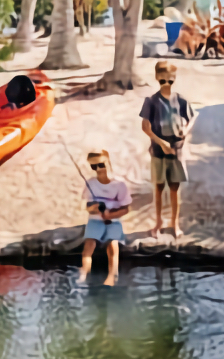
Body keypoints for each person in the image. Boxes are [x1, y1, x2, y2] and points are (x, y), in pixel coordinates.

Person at [139, 61, 196, 238]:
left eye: (170, 81)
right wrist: (161, 143)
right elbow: (145, 127)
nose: (167, 85)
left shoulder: (180, 100)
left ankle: (174, 223)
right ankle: (158, 223)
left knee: (174, 188)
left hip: (176, 150)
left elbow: (192, 117)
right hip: (158, 150)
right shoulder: (151, 102)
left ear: (174, 80)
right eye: (163, 81)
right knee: (158, 188)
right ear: (157, 78)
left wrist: (185, 130)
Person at [79, 150, 131, 286]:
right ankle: (83, 273)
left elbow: (125, 209)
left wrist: (111, 215)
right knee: (89, 244)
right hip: (95, 219)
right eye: (93, 166)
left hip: (113, 220)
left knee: (112, 243)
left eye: (101, 165)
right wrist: (93, 208)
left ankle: (112, 275)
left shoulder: (119, 184)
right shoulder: (90, 183)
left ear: (108, 162)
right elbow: (87, 207)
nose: (98, 169)